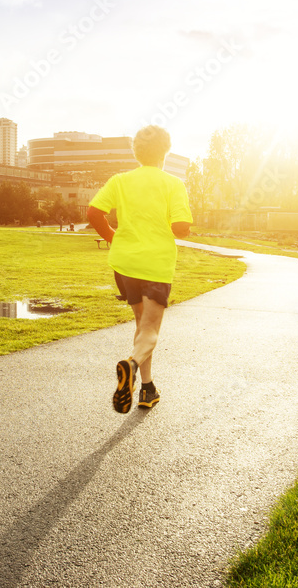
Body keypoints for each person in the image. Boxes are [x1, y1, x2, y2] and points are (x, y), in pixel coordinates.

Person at [87, 125, 193, 413]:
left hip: (125, 264)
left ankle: (147, 389)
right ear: (165, 151)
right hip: (156, 264)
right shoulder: (173, 184)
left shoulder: (120, 181)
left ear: (137, 151)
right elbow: (181, 228)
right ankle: (131, 367)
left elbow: (93, 213)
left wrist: (112, 237)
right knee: (150, 329)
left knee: (141, 327)